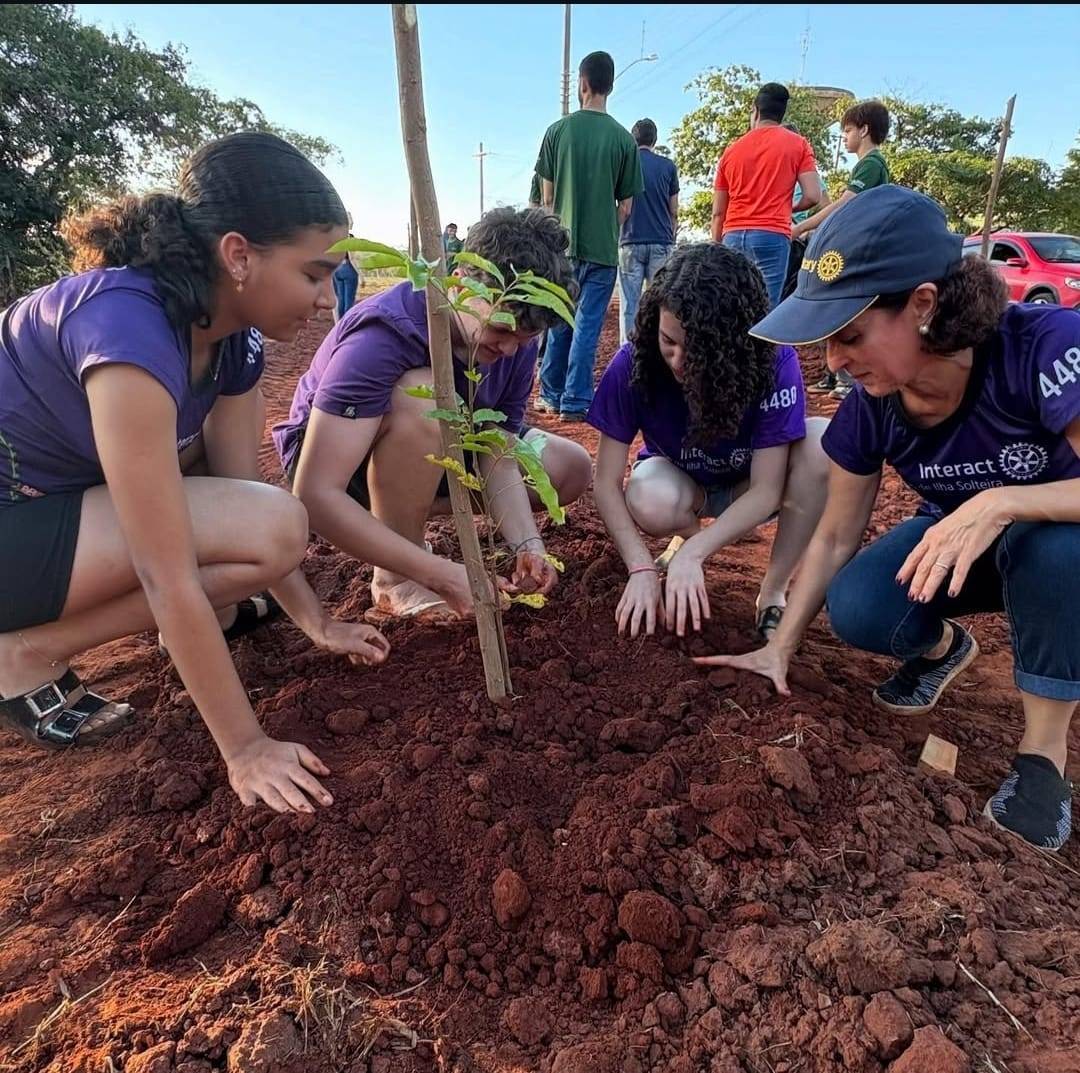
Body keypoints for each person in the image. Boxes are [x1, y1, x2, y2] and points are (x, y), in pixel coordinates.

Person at [0, 132, 390, 814]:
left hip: (56, 520)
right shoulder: (127, 330)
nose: (329, 299)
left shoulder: (229, 338)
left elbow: (242, 503)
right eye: (313, 272)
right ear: (238, 255)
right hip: (15, 530)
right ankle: (25, 652)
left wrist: (318, 624)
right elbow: (167, 567)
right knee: (255, 530)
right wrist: (246, 749)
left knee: (266, 527)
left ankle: (60, 634)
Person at [698, 185, 1080, 851]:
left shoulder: (1043, 348)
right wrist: (779, 646)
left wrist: (1000, 501)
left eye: (850, 335)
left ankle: (1044, 756)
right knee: (859, 605)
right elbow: (838, 534)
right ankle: (939, 650)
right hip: (960, 547)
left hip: (1056, 544)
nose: (836, 361)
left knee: (1056, 552)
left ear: (923, 305)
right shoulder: (871, 405)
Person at [274, 207, 592, 623]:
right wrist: (439, 574)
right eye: (501, 331)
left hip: (441, 447)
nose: (512, 349)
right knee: (427, 400)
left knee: (570, 466)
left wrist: (528, 546)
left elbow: (495, 445)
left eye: (526, 337)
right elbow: (313, 492)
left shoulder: (515, 342)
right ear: (460, 282)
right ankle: (396, 578)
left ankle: (403, 511)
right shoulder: (385, 334)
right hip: (339, 461)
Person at [587, 243, 829, 639]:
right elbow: (606, 482)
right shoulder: (634, 363)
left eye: (698, 350)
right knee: (649, 495)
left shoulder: (772, 362)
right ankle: (686, 539)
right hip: (683, 486)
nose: (679, 361)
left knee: (821, 442)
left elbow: (767, 490)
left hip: (749, 486)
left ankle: (772, 594)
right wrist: (641, 567)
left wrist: (697, 556)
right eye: (669, 341)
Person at [535, 51, 644, 421]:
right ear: (609, 86)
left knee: (559, 320)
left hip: (561, 250)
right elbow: (626, 207)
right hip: (602, 251)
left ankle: (549, 393)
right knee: (587, 326)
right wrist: (606, 224)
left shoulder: (556, 132)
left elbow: (546, 200)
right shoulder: (624, 141)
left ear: (582, 84)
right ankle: (576, 400)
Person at [799, 100, 892, 399]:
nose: (844, 136)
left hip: (862, 249)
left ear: (864, 130)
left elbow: (845, 204)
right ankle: (833, 376)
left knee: (843, 308)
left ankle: (845, 379)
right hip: (859, 245)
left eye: (848, 130)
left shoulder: (872, 164)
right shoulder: (867, 165)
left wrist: (802, 226)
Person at [711, 82, 822, 308]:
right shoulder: (798, 145)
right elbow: (813, 195)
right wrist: (787, 207)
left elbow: (718, 212)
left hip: (732, 234)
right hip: (772, 235)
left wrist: (716, 248)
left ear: (755, 111)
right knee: (764, 311)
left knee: (732, 309)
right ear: (782, 114)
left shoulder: (732, 150)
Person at [618, 118, 680, 344]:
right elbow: (674, 210)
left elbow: (623, 208)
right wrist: (670, 234)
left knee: (630, 304)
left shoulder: (626, 164)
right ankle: (655, 350)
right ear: (655, 140)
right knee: (659, 304)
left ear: (633, 140)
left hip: (630, 241)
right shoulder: (668, 166)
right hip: (661, 241)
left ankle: (628, 352)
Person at [332, 235, 362, 322]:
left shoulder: (338, 239)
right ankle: (347, 322)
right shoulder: (350, 240)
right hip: (348, 269)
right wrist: (361, 275)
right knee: (349, 299)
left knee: (341, 299)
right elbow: (352, 258)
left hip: (337, 269)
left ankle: (340, 322)